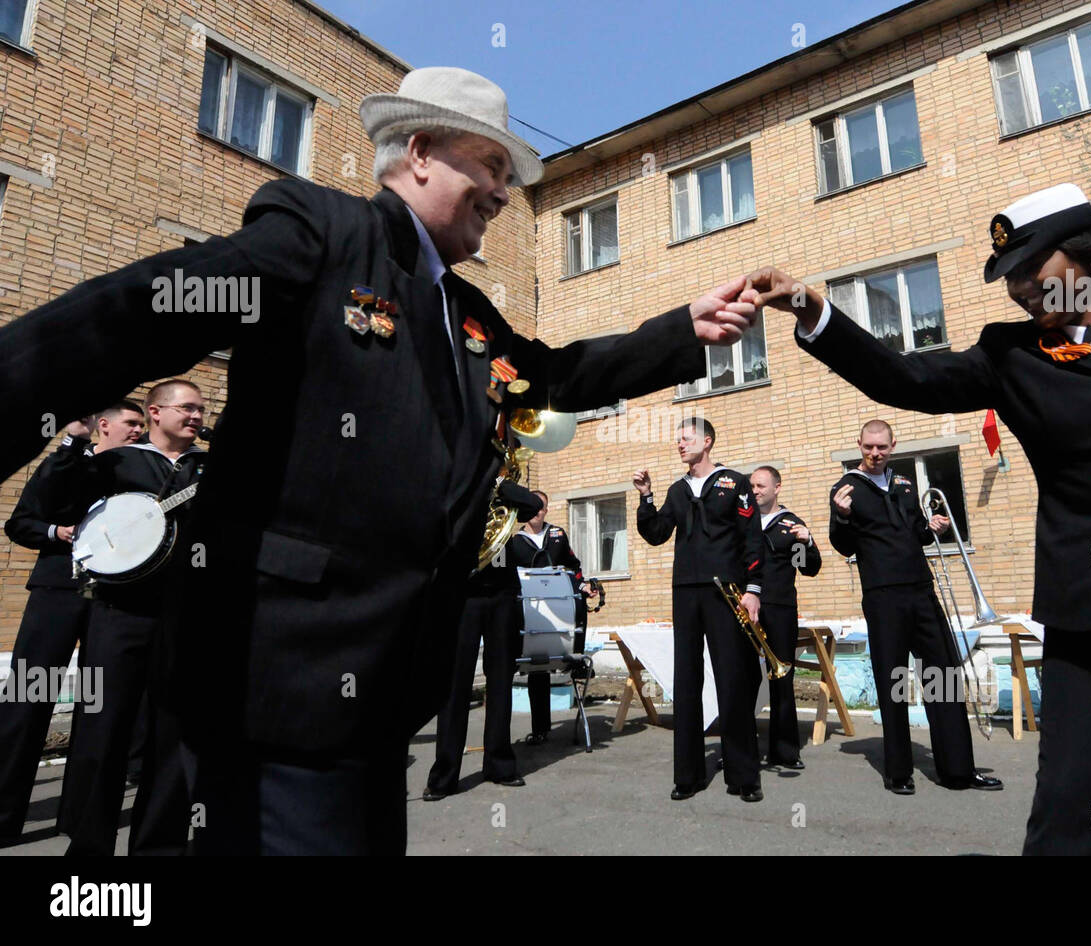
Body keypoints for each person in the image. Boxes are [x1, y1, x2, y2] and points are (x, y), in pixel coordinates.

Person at [0, 66, 758, 854]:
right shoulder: (323, 232)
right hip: (281, 678)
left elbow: (554, 375)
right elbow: (147, 309)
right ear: (421, 151)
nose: (503, 194)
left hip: (383, 690)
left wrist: (683, 332)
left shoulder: (465, 313)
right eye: (492, 168)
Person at [745, 181, 1091, 855]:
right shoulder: (1009, 356)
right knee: (1071, 824)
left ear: (1087, 255)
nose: (1018, 288)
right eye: (1008, 276)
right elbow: (904, 380)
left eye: (1032, 269)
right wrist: (809, 307)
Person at [48, 380, 207, 856]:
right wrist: (73, 441)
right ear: (155, 412)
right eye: (188, 408)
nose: (198, 416)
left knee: (174, 736)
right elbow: (60, 501)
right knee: (105, 729)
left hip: (188, 617)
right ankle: (90, 848)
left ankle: (159, 849)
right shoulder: (118, 460)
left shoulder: (209, 467)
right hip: (120, 613)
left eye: (202, 409)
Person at [828, 421, 1001, 795]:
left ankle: (958, 770)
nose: (875, 453)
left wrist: (932, 526)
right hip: (883, 595)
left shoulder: (904, 483)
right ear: (859, 444)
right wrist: (841, 516)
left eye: (882, 447)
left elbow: (916, 532)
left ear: (893, 445)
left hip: (922, 590)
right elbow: (843, 546)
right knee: (893, 680)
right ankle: (898, 771)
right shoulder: (846, 489)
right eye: (869, 447)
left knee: (945, 678)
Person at [0, 401, 145, 843]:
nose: (139, 430)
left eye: (143, 423)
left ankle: (78, 820)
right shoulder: (67, 461)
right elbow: (21, 523)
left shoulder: (142, 473)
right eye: (132, 423)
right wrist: (56, 533)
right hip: (58, 594)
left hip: (113, 601)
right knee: (29, 697)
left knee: (98, 706)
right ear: (104, 425)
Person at [634, 417, 765, 803]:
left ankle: (744, 777)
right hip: (686, 593)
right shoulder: (677, 490)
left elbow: (751, 538)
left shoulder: (735, 483)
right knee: (686, 682)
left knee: (732, 680)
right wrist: (645, 497)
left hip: (725, 592)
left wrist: (753, 589)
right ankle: (687, 776)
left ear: (706, 441)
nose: (680, 444)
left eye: (687, 438)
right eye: (677, 439)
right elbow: (656, 533)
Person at [422, 484, 542, 801]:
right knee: (455, 685)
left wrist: (499, 485)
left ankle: (500, 765)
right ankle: (444, 776)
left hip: (502, 595)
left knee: (500, 680)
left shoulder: (502, 488)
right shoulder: (458, 484)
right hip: (463, 594)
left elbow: (532, 505)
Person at [510, 490, 598, 744]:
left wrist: (582, 587)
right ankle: (540, 729)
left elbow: (573, 567)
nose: (539, 511)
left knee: (580, 604)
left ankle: (577, 659)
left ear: (547, 509)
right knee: (538, 669)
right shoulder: (514, 540)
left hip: (559, 612)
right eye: (534, 507)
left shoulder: (557, 534)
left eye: (543, 507)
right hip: (532, 614)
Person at [748, 465, 820, 770]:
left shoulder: (791, 525)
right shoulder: (743, 521)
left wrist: (807, 541)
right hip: (746, 607)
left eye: (761, 486)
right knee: (743, 679)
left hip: (779, 608)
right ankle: (742, 750)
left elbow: (808, 568)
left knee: (782, 678)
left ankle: (786, 752)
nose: (755, 491)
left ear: (777, 487)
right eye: (752, 485)